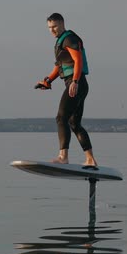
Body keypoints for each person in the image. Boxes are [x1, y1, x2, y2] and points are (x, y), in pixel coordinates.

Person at [35, 13, 97, 166]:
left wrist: (74, 81)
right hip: (79, 84)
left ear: (62, 24)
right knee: (74, 123)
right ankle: (90, 159)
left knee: (61, 117)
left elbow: (78, 61)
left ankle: (63, 156)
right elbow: (59, 66)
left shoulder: (69, 38)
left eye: (55, 26)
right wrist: (48, 80)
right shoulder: (60, 43)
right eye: (49, 27)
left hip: (76, 83)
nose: (52, 30)